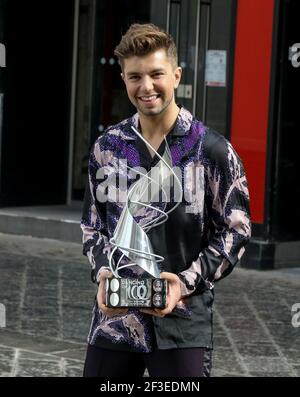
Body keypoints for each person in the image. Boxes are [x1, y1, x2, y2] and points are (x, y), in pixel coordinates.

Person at [81, 23, 251, 377]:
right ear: (124, 80)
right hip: (115, 321)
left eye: (156, 74)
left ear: (175, 75)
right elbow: (93, 226)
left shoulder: (212, 150)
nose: (146, 87)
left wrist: (185, 282)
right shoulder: (107, 148)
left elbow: (236, 231)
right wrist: (102, 274)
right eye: (134, 77)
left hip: (183, 323)